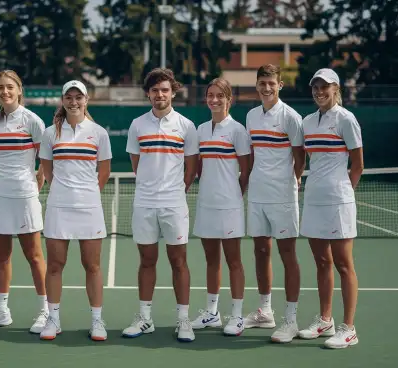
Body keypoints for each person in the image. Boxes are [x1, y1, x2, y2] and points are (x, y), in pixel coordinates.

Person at [122, 68, 199, 342]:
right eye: (155, 90)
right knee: (147, 261)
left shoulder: (186, 126)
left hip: (174, 204)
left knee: (179, 262)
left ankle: (183, 320)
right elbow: (136, 164)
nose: (160, 95)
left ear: (173, 92)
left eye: (165, 90)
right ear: (148, 94)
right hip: (144, 203)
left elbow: (191, 168)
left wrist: (175, 191)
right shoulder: (137, 125)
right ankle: (145, 319)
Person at [38, 80, 112, 341]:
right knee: (55, 265)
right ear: (62, 101)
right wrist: (64, 191)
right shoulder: (50, 134)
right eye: (68, 97)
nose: (73, 102)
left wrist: (87, 193)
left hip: (89, 207)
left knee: (92, 265)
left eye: (78, 97)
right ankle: (53, 319)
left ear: (86, 100)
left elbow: (104, 171)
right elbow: (47, 170)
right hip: (59, 207)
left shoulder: (99, 133)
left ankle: (96, 321)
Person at [0, 70, 49, 334]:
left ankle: (46, 311)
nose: (4, 92)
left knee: (34, 255)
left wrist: (36, 183)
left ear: (19, 90)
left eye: (9, 87)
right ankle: (1, 310)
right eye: (0, 87)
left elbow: (46, 159)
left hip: (24, 195)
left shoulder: (33, 121)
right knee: (2, 255)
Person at [298, 68, 363, 349]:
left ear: (336, 89)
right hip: (313, 200)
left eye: (325, 87)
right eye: (315, 87)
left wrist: (344, 190)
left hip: (338, 201)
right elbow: (301, 159)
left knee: (343, 264)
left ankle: (349, 328)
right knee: (322, 262)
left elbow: (358, 164)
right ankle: (326, 320)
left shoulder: (346, 119)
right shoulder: (307, 122)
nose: (319, 92)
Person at [242, 64, 305, 343]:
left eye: (271, 83)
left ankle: (290, 321)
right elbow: (253, 153)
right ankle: (265, 312)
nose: (266, 88)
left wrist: (294, 180)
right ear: (256, 85)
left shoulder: (291, 117)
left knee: (287, 254)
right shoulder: (251, 115)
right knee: (260, 249)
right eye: (262, 83)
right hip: (257, 193)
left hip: (282, 194)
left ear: (280, 85)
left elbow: (300, 155)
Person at [189, 77, 252, 336]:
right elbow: (199, 167)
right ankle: (212, 313)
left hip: (230, 206)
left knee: (234, 261)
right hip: (206, 204)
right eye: (210, 95)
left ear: (229, 100)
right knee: (211, 260)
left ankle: (237, 316)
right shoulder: (200, 130)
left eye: (220, 96)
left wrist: (234, 195)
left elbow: (246, 170)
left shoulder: (238, 130)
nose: (214, 100)